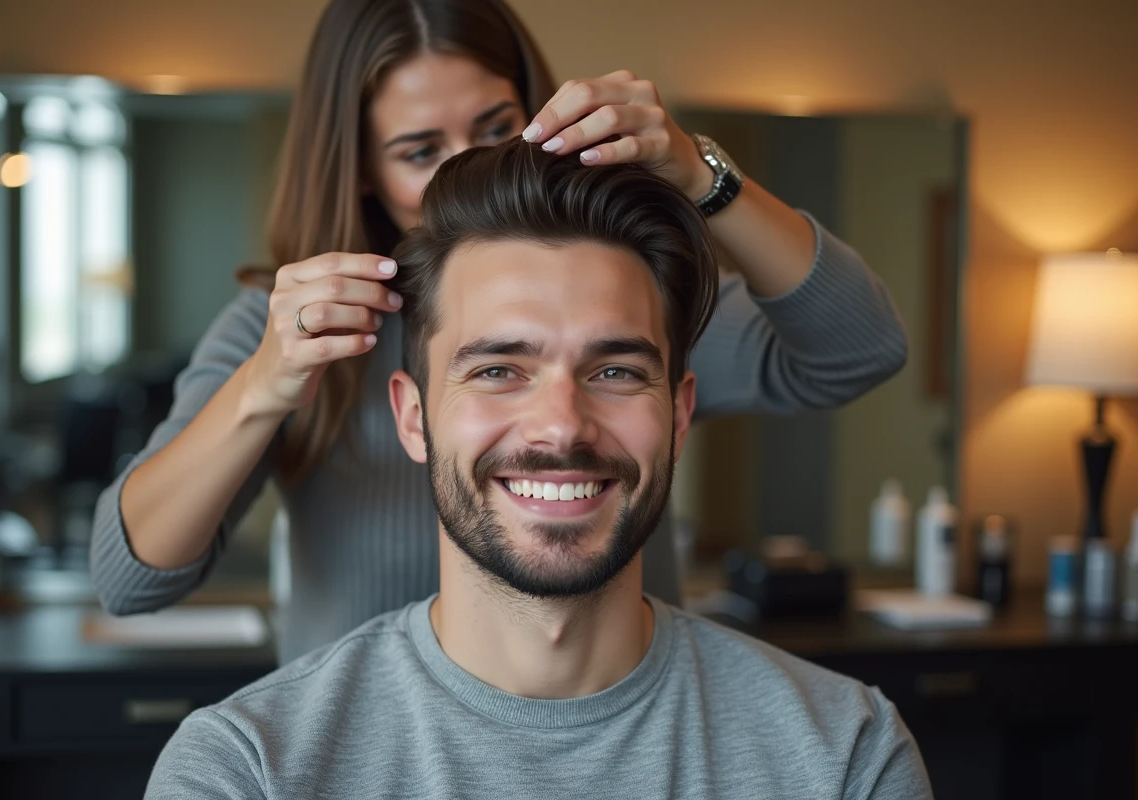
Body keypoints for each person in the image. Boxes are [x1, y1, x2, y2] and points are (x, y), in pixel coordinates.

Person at [90, 0, 908, 662]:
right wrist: (264, 384)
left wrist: (701, 174)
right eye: (420, 151)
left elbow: (861, 350)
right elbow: (131, 579)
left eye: (494, 128)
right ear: (362, 171)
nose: (465, 168)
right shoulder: (287, 333)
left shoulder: (623, 303)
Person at [145, 140, 930, 800]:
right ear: (414, 417)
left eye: (615, 371)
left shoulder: (844, 756)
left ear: (679, 413)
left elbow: (863, 344)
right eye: (498, 371)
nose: (561, 426)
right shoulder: (246, 771)